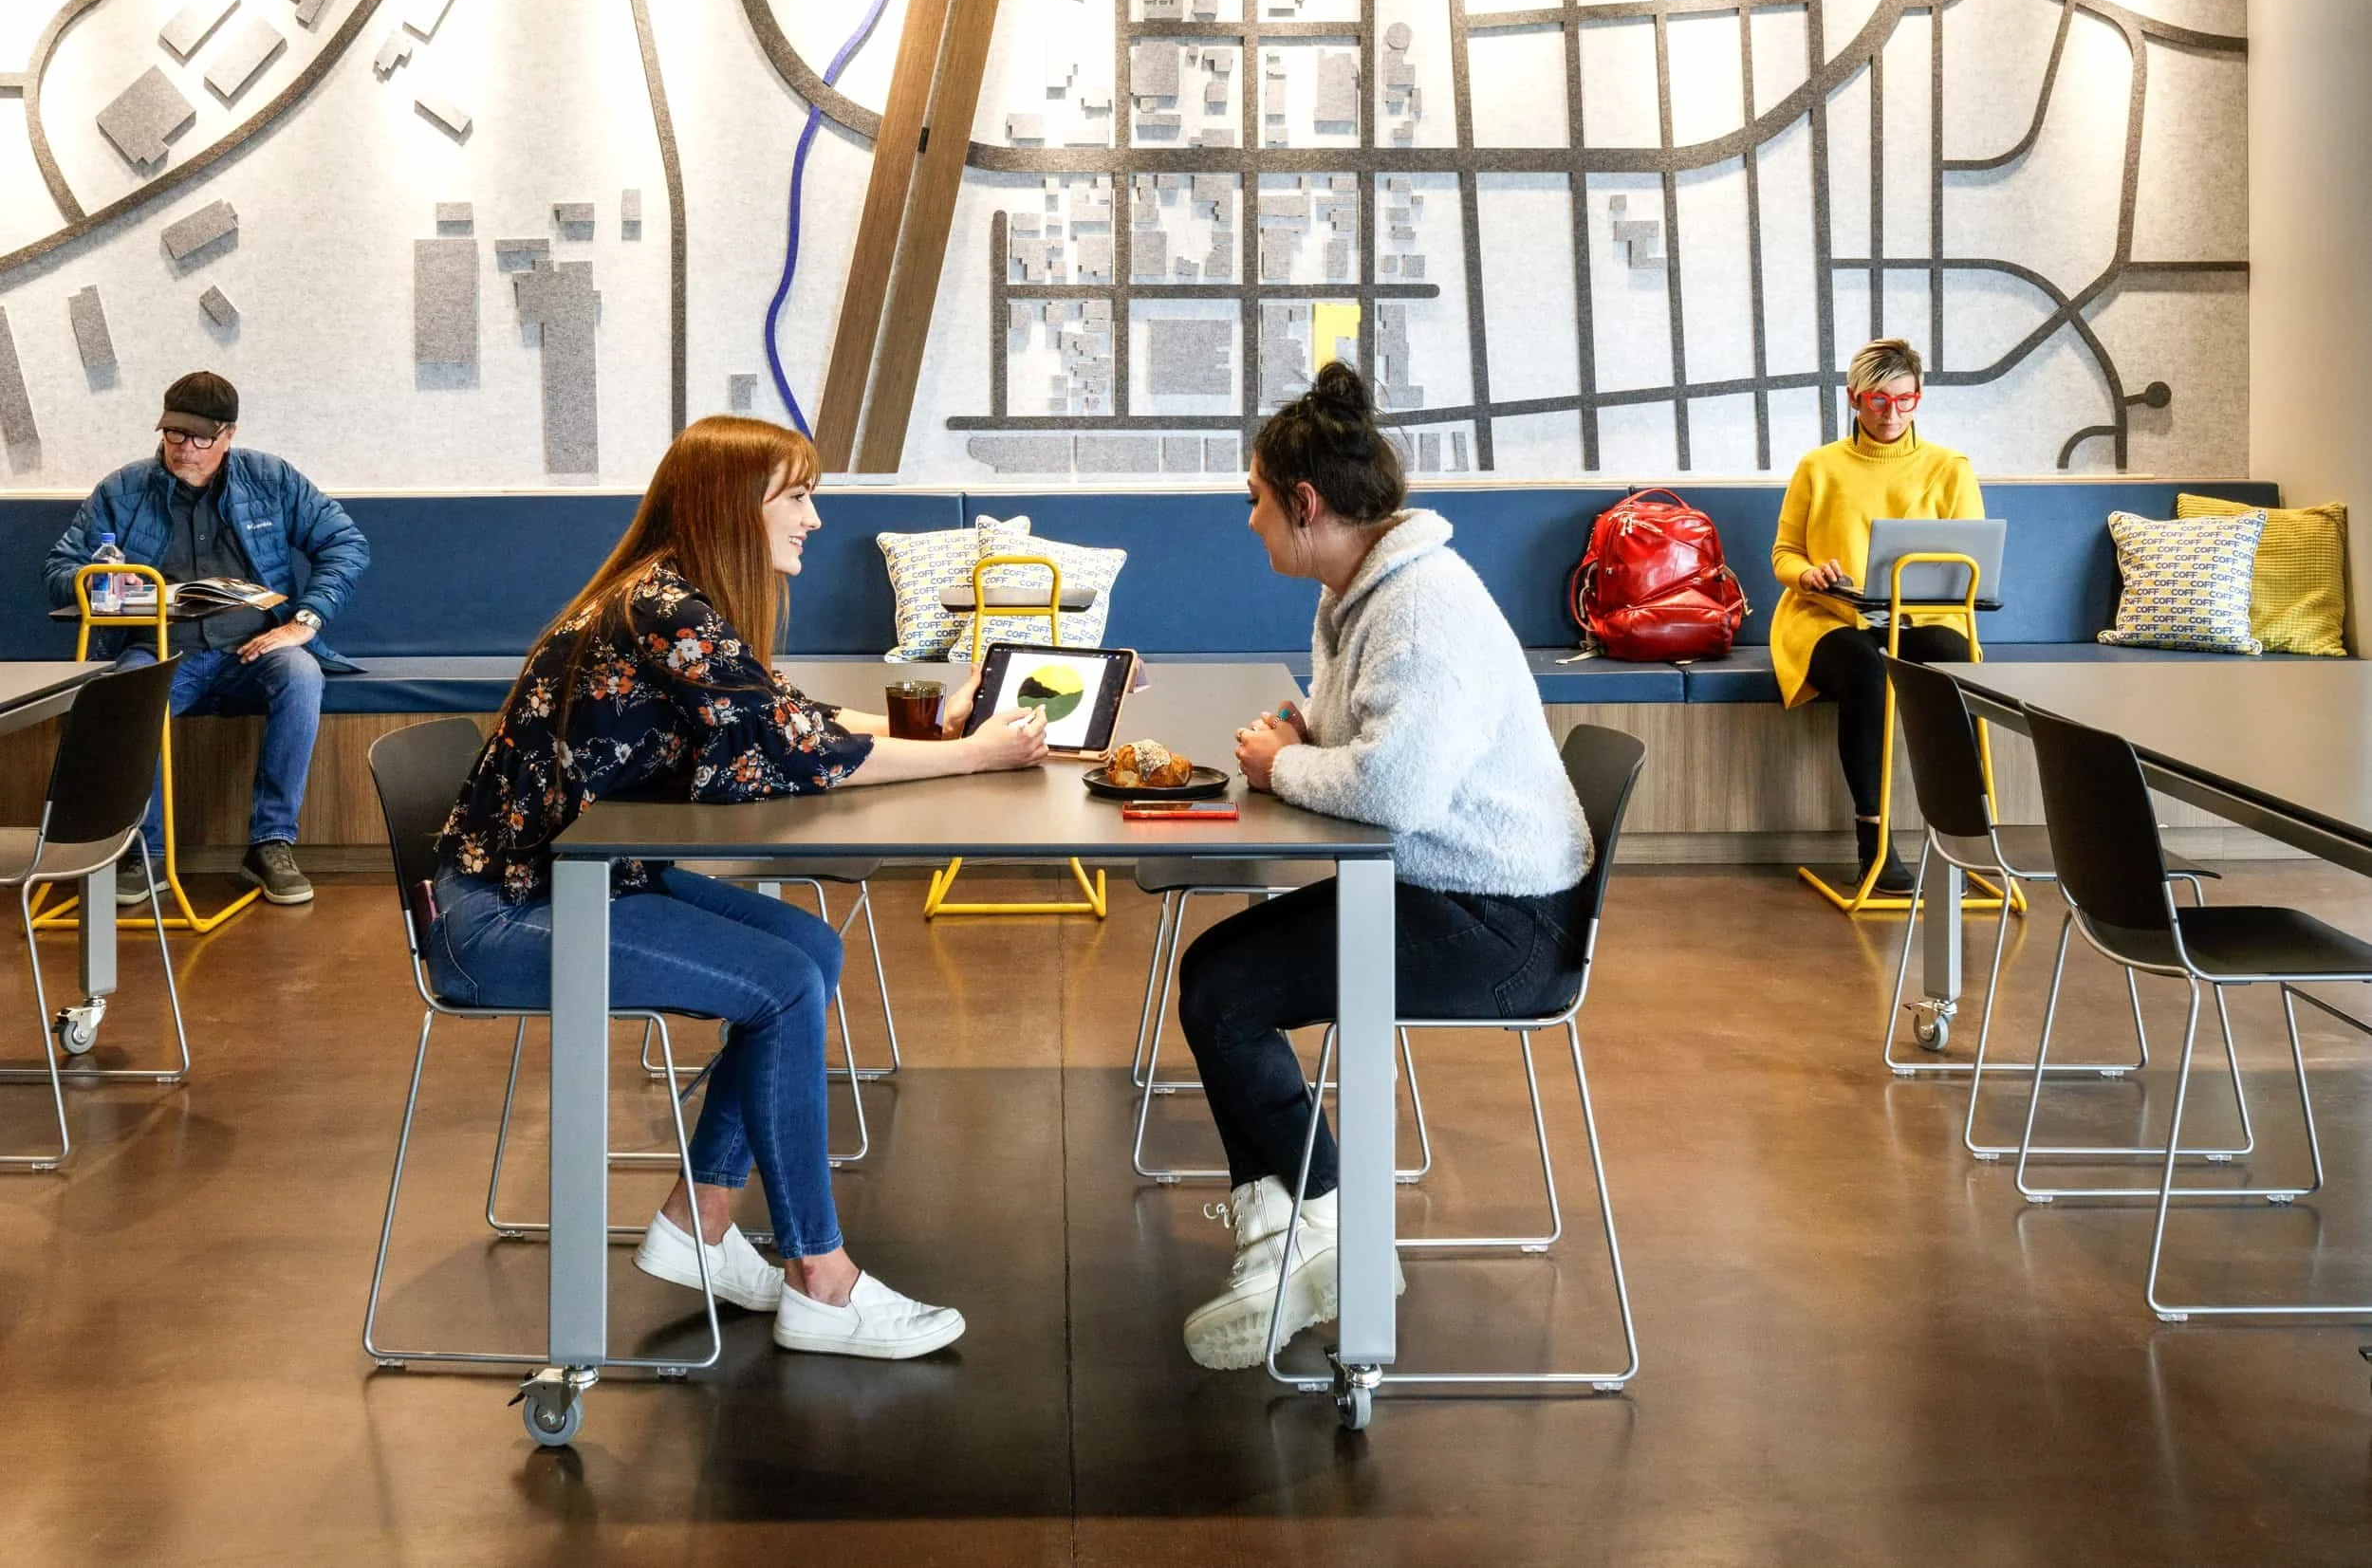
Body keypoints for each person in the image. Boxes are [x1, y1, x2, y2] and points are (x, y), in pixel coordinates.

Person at [430, 414, 1049, 1361]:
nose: (811, 518)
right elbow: (784, 746)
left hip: (580, 878)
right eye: (795, 497)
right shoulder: (660, 606)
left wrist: (938, 741)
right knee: (785, 983)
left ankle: (700, 1222)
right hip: (511, 916)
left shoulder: (670, 596)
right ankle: (821, 1277)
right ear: (733, 506)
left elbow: (769, 712)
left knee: (811, 950)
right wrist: (970, 757)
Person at [1173, 362, 1596, 1373]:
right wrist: (1304, 736)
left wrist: (1288, 761)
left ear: (1304, 503)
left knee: (1225, 991)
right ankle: (1285, 1236)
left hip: (1504, 926)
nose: (1248, 521)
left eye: (1255, 500)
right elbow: (1375, 736)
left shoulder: (1419, 608)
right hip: (1448, 886)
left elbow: (1397, 788)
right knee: (1214, 977)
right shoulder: (1364, 591)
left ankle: (1325, 1222)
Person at [46, 371, 369, 909]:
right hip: (160, 649)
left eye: (200, 437)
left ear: (228, 435)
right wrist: (101, 580)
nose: (184, 449)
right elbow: (60, 567)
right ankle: (139, 851)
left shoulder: (271, 479)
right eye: (174, 434)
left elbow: (345, 542)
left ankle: (270, 845)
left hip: (255, 647)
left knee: (301, 674)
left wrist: (304, 622)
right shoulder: (122, 490)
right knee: (127, 690)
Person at [1770, 336, 1983, 896]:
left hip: (1920, 619)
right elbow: (1784, 554)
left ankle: (1958, 843)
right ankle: (1875, 848)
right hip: (1827, 620)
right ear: (1854, 399)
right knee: (1867, 667)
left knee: (1954, 661)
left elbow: (1974, 561)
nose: (1891, 413)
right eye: (1877, 400)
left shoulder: (1949, 468)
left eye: (1904, 399)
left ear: (1919, 397)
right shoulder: (1819, 466)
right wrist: (1807, 574)